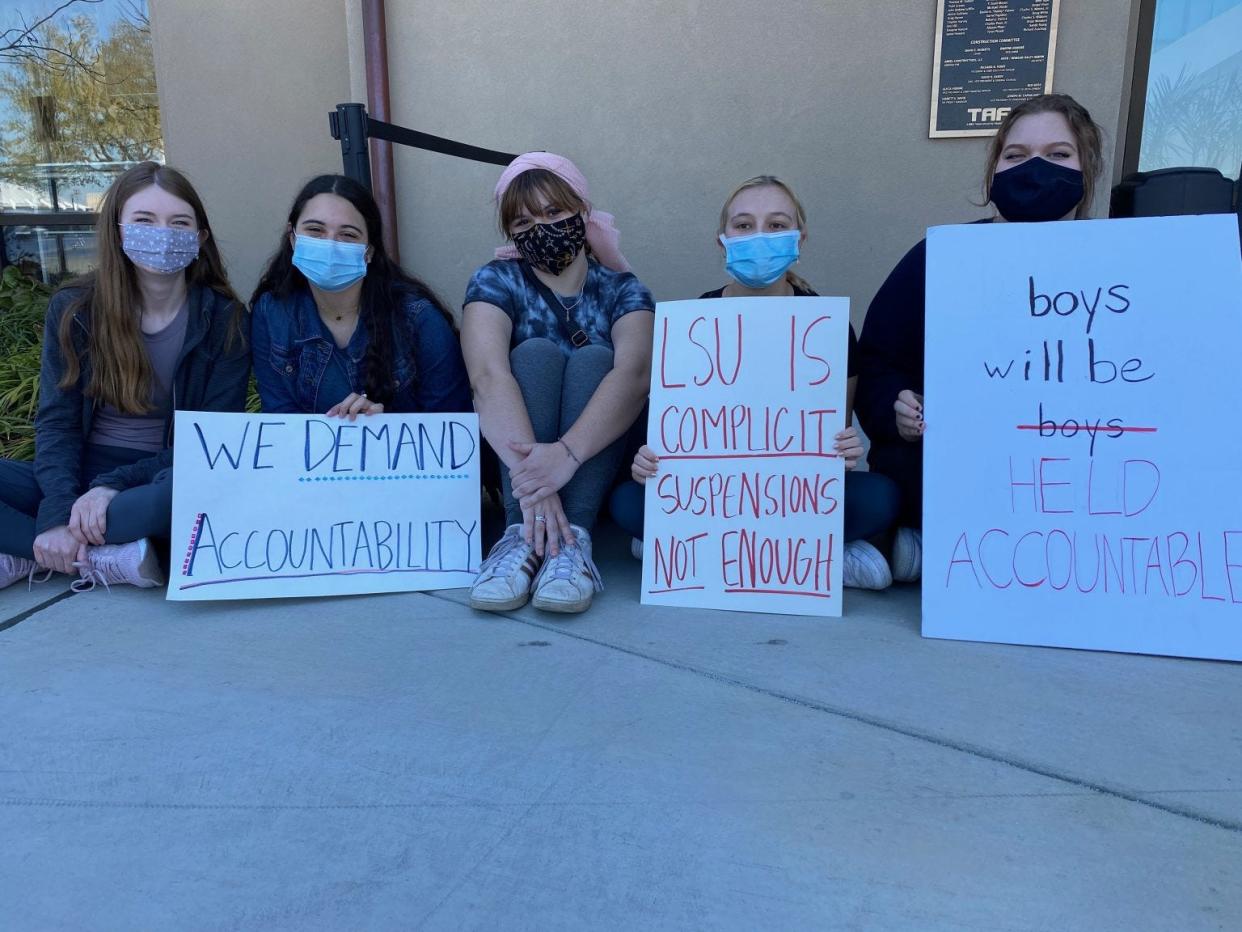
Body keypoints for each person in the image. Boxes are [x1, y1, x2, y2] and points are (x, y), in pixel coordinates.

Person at [855, 93, 1105, 582]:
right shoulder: (941, 258)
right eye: (1015, 155)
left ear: (1087, 169)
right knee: (897, 483)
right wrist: (896, 409)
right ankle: (931, 540)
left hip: (1083, 478)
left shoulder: (1118, 266)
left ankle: (928, 546)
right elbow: (878, 359)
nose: (1034, 168)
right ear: (994, 170)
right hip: (946, 465)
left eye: (1057, 154)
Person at [613, 175, 901, 590]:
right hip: (711, 496)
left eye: (777, 225)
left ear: (799, 239)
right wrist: (650, 462)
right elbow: (674, 434)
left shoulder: (828, 328)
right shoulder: (693, 323)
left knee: (881, 497)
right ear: (723, 240)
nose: (759, 236)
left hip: (790, 498)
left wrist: (843, 449)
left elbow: (829, 435)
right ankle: (817, 554)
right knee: (627, 501)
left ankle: (701, 547)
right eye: (744, 226)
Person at [0, 161, 250, 590]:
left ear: (199, 237)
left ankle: (34, 554)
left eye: (179, 222)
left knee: (178, 500)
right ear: (117, 231)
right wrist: (58, 513)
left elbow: (211, 440)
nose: (163, 233)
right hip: (80, 467)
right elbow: (57, 422)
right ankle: (85, 555)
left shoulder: (225, 319)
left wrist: (111, 486)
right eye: (144, 220)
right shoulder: (76, 308)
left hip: (160, 477)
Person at [463, 152, 654, 614]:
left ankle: (574, 542)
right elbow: (487, 374)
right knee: (533, 354)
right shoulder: (496, 280)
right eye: (524, 219)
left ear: (582, 212)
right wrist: (538, 480)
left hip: (594, 460)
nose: (541, 227)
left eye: (553, 212)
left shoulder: (625, 290)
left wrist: (564, 457)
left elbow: (635, 375)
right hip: (517, 466)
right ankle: (520, 535)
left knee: (597, 360)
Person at [250, 175, 470, 417]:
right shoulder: (270, 312)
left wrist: (382, 425)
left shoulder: (420, 320)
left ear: (369, 251)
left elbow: (451, 425)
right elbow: (280, 420)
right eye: (315, 230)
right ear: (292, 238)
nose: (331, 245)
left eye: (348, 235)